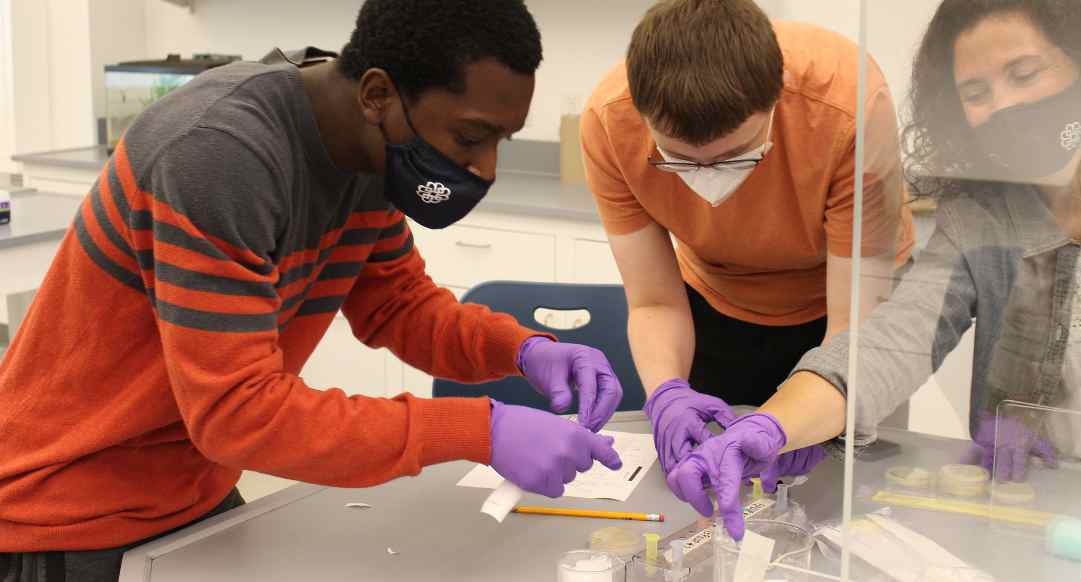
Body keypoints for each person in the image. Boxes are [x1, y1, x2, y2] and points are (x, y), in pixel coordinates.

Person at [0, 1, 626, 579]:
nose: (485, 168)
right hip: (69, 509)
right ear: (379, 93)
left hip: (190, 489)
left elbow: (400, 306)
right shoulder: (219, 156)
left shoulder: (364, 147)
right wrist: (479, 430)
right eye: (470, 137)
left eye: (500, 142)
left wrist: (524, 350)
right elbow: (239, 413)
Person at [669, 0, 1081, 539]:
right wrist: (771, 427)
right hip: (1072, 517)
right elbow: (888, 345)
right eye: (976, 94)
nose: (1005, 106)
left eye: (1024, 73)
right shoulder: (983, 218)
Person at [580, 0, 915, 483]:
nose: (708, 183)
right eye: (680, 159)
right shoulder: (610, 123)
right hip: (720, 302)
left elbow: (853, 332)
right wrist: (668, 393)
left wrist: (785, 425)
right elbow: (654, 302)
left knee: (850, 496)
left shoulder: (848, 106)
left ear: (776, 98)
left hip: (845, 307)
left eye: (737, 156)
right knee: (719, 484)